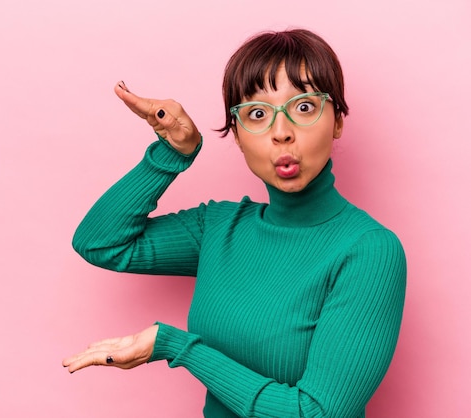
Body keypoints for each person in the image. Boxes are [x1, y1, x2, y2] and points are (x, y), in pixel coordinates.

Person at [62, 28, 406, 417]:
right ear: (238, 135)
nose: (282, 133)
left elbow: (315, 413)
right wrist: (173, 152)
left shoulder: (368, 250)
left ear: (338, 121)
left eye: (304, 107)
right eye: (257, 114)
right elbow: (100, 243)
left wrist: (177, 347)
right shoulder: (219, 228)